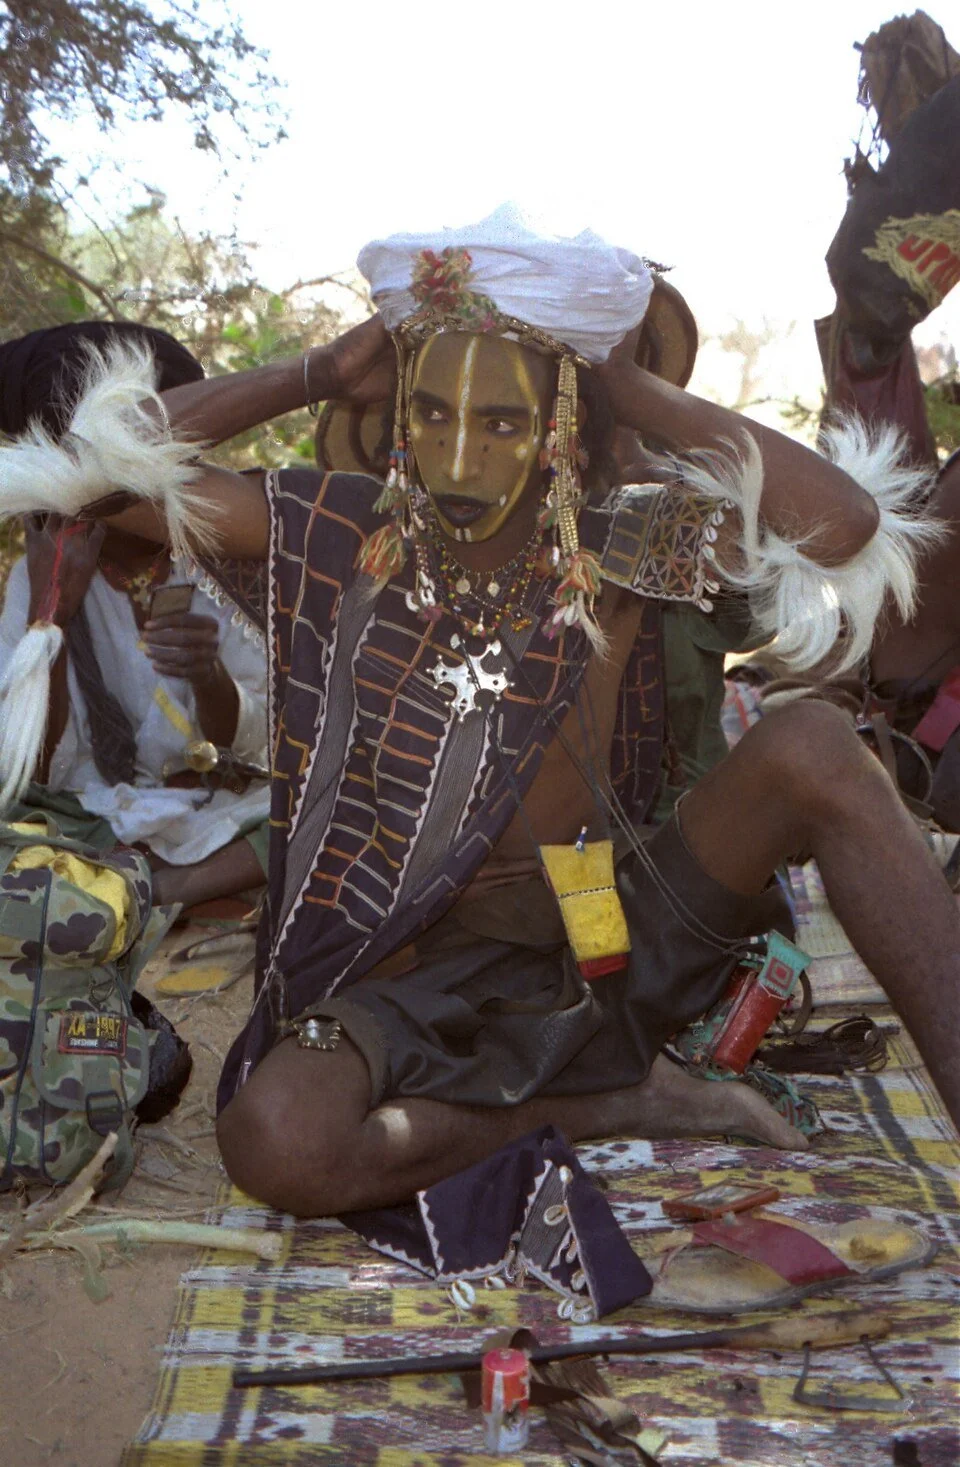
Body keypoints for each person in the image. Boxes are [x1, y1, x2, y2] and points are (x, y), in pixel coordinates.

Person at [1, 207, 956, 1223]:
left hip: (614, 938)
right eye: (437, 418)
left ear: (559, 431)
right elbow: (93, 474)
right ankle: (610, 1100)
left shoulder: (623, 537)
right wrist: (315, 373)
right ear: (401, 423)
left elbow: (846, 528)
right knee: (277, 1139)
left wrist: (625, 383)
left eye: (504, 421)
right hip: (424, 980)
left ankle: (619, 1064)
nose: (462, 460)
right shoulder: (339, 531)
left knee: (811, 742)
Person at [0, 323, 270, 909]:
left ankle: (160, 894)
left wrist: (210, 676)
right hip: (90, 824)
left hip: (222, 810)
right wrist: (55, 612)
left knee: (330, 806)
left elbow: (256, 743)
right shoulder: (35, 574)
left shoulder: (219, 561)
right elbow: (33, 770)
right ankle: (146, 893)